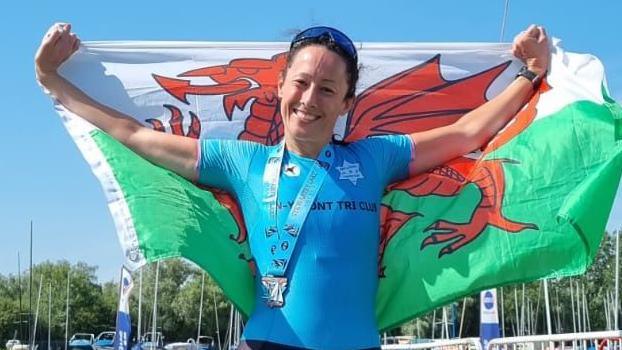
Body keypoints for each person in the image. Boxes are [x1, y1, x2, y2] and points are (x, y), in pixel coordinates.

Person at [36, 23, 550, 350]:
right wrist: (53, 79)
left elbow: (467, 132)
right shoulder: (241, 162)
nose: (310, 98)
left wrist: (530, 75)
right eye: (300, 83)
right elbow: (132, 133)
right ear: (280, 86)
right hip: (267, 344)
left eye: (328, 89)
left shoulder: (375, 158)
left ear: (347, 103)